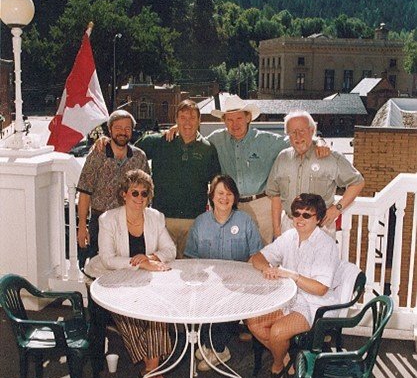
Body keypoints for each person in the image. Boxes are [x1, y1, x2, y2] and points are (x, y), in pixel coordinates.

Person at [167, 95, 329, 246]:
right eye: (229, 119)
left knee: (263, 250)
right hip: (231, 206)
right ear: (224, 121)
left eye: (239, 118)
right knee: (233, 249)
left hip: (261, 205)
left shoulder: (267, 140)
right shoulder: (216, 140)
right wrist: (177, 128)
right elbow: (192, 136)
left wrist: (320, 142)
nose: (234, 124)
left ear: (248, 118)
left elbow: (298, 140)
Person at [86, 169, 176, 378]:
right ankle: (152, 368)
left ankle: (150, 368)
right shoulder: (108, 219)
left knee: (157, 313)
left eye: (144, 194)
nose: (139, 198)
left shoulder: (155, 217)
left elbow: (170, 249)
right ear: (124, 194)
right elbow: (107, 259)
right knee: (126, 313)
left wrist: (152, 258)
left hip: (144, 281)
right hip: (109, 280)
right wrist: (139, 263)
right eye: (134, 193)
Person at [247, 193, 340, 378]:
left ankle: (278, 366)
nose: (300, 219)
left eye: (307, 215)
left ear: (318, 218)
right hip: (288, 298)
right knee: (253, 323)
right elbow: (258, 257)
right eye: (296, 214)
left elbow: (321, 288)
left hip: (314, 304)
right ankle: (286, 358)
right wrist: (267, 269)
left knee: (278, 332)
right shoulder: (289, 237)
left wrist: (293, 275)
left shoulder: (326, 245)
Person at [184, 174, 263, 370]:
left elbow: (256, 254)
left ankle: (219, 349)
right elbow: (191, 257)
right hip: (207, 283)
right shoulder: (200, 223)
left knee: (228, 299)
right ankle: (209, 345)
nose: (224, 198)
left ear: (235, 198)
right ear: (212, 196)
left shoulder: (245, 221)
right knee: (202, 297)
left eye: (229, 194)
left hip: (237, 285)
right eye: (220, 193)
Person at [136, 100, 220, 257]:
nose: (187, 122)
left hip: (194, 220)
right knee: (161, 265)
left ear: (199, 120)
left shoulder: (208, 148)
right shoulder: (160, 141)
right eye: (182, 117)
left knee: (190, 269)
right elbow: (127, 150)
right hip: (162, 219)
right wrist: (104, 141)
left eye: (192, 117)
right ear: (176, 120)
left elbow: (216, 185)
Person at [266, 110, 365, 238]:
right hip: (289, 227)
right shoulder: (282, 158)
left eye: (302, 131)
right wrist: (277, 231)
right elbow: (275, 195)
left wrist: (337, 209)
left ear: (312, 131)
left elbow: (357, 182)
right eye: (292, 132)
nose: (298, 136)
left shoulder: (331, 158)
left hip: (320, 229)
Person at [77, 110, 149, 259]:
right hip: (100, 221)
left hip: (130, 222)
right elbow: (85, 191)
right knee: (98, 265)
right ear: (109, 130)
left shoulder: (139, 157)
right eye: (118, 128)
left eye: (127, 128)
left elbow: (146, 193)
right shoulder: (98, 154)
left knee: (129, 266)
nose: (122, 132)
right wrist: (82, 226)